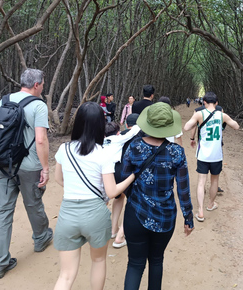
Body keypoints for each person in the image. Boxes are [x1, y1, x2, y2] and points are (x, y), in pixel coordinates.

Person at [53, 102, 136, 290]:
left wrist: (77, 188)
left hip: (68, 214)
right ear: (100, 124)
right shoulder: (103, 154)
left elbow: (59, 179)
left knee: (65, 276)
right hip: (95, 214)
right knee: (98, 261)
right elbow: (112, 192)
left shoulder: (63, 149)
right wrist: (132, 176)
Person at [121, 102, 194, 290]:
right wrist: (188, 217)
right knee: (156, 261)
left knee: (135, 264)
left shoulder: (134, 147)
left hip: (135, 214)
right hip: (165, 216)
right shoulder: (177, 152)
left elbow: (124, 179)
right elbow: (183, 189)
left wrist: (136, 198)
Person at [0, 68, 53, 279]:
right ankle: (41, 237)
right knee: (33, 203)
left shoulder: (4, 100)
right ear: (36, 85)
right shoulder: (38, 106)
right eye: (43, 83)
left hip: (2, 164)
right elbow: (41, 140)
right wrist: (45, 168)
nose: (43, 86)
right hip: (28, 165)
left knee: (2, 212)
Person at [183, 92, 240, 222]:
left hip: (203, 154)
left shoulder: (199, 114)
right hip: (216, 155)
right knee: (215, 181)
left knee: (201, 182)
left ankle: (200, 212)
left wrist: (195, 123)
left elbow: (186, 127)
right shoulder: (222, 115)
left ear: (203, 102)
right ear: (216, 103)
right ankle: (211, 204)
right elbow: (236, 126)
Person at [105, 114, 140, 249]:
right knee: (133, 202)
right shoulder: (136, 135)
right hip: (128, 172)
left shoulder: (109, 139)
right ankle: (120, 235)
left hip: (112, 172)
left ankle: (113, 230)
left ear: (126, 124)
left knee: (118, 198)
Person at [191, 101, 225, 192]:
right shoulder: (220, 109)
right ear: (216, 102)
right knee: (215, 164)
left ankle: (203, 187)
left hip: (203, 141)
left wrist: (192, 138)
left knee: (203, 165)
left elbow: (194, 126)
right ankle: (214, 185)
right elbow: (222, 125)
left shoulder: (198, 111)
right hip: (217, 142)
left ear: (204, 102)